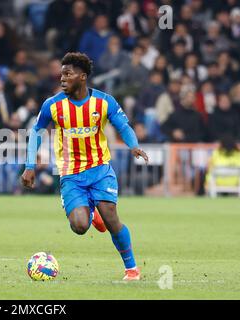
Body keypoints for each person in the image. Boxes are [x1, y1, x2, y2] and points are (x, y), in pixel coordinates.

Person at [21, 52, 149, 281]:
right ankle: (91, 213)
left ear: (82, 76)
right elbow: (35, 132)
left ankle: (132, 269)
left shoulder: (104, 101)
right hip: (71, 174)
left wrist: (134, 145)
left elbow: (124, 125)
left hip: (100, 169)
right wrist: (29, 165)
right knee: (80, 226)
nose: (62, 78)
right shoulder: (53, 105)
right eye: (61, 74)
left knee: (111, 217)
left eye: (67, 74)